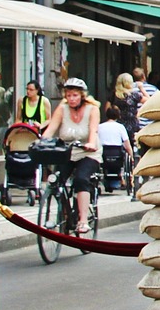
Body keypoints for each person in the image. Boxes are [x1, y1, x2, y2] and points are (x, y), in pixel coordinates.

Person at [41, 78, 101, 233]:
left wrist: (91, 143)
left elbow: (93, 130)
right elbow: (50, 129)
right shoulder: (62, 109)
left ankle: (82, 221)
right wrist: (41, 143)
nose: (71, 99)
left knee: (81, 179)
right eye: (68, 95)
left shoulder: (92, 109)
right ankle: (66, 214)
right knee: (56, 181)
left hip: (88, 152)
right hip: (67, 153)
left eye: (75, 95)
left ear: (82, 95)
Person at [97, 106, 132, 191]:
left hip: (103, 153)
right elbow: (126, 143)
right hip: (117, 153)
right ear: (118, 115)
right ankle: (120, 180)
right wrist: (131, 155)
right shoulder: (120, 127)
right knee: (122, 159)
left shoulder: (100, 127)